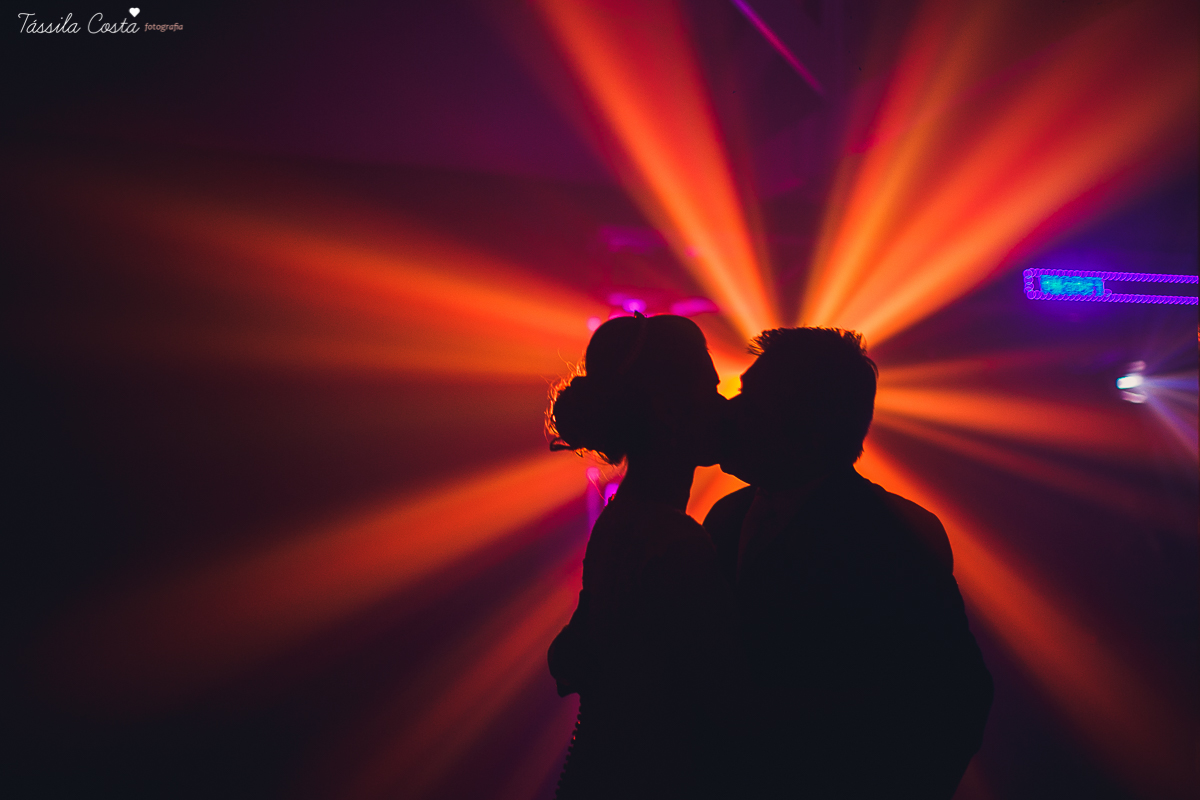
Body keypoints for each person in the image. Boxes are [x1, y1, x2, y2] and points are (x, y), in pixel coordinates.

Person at [704, 327, 993, 799]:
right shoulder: (727, 516)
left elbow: (953, 702)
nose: (731, 411)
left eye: (751, 400)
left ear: (808, 421)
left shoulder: (896, 535)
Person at [546, 313, 740, 800]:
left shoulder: (623, 522)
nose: (723, 404)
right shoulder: (678, 543)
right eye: (709, 387)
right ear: (667, 409)